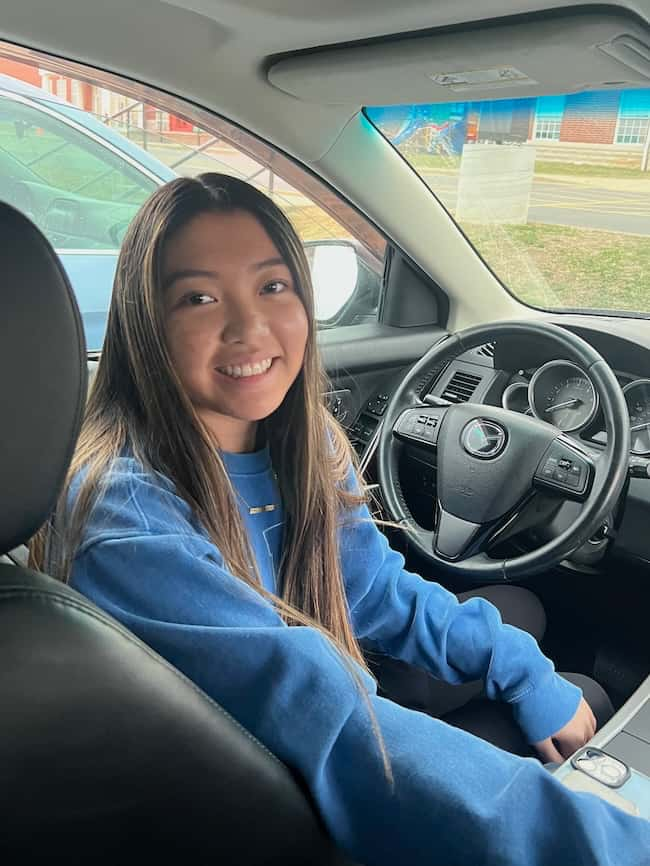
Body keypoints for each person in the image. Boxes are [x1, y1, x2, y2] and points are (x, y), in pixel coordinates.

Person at [34, 173, 650, 864]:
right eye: (199, 298)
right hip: (255, 783)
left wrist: (526, 674)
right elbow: (311, 706)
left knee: (519, 618)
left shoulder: (304, 438)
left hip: (305, 691)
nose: (250, 328)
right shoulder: (124, 514)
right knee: (586, 699)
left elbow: (369, 589)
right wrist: (608, 840)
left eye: (272, 286)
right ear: (145, 320)